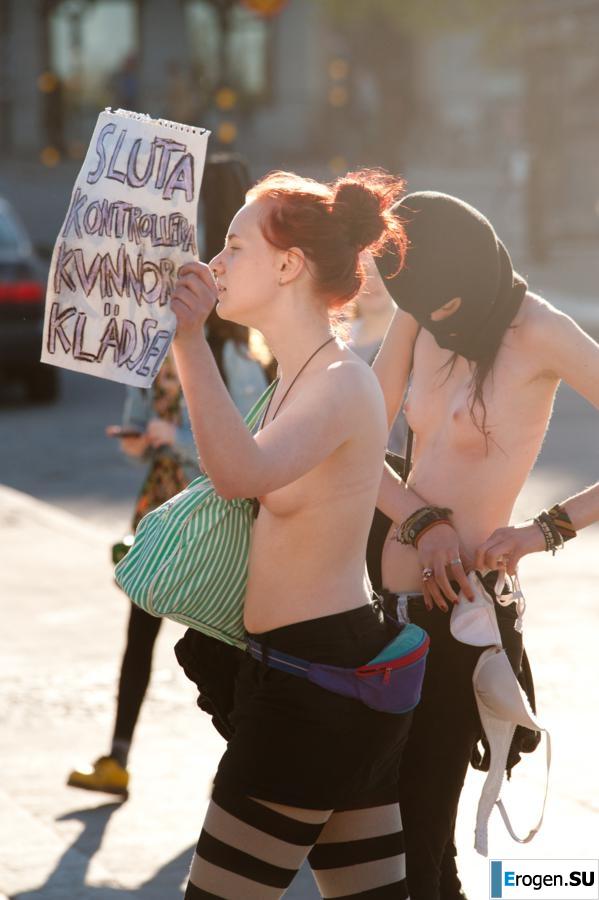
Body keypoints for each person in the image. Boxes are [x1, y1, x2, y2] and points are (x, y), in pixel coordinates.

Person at [170, 169, 413, 899]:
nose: (215, 263)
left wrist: (188, 342)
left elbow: (242, 474)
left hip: (314, 684)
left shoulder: (337, 380)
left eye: (233, 246)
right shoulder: (299, 377)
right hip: (325, 677)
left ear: (287, 265)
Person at [367, 190, 599, 900]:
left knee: (418, 826)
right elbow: (354, 444)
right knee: (402, 830)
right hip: (385, 606)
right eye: (422, 306)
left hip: (460, 616)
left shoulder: (542, 332)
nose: (437, 321)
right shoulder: (416, 313)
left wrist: (545, 530)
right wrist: (419, 521)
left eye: (445, 307)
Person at [66, 156, 267, 797]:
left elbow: (241, 446)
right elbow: (139, 438)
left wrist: (167, 436)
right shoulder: (168, 333)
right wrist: (142, 439)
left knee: (232, 644)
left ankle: (258, 767)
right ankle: (118, 757)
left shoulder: (234, 347)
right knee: (145, 632)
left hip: (215, 514)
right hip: (162, 511)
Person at [349, 251, 407, 453]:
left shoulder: (413, 337)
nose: (372, 282)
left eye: (380, 272)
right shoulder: (337, 340)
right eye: (364, 273)